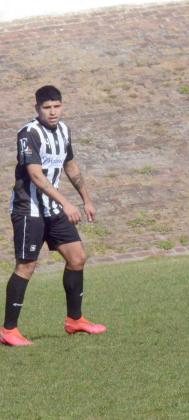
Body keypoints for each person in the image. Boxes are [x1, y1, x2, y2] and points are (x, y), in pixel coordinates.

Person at [1, 85, 106, 347]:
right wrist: (68, 204)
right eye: (47, 108)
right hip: (29, 210)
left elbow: (70, 165)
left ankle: (75, 320)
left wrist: (86, 199)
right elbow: (36, 176)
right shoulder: (28, 133)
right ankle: (9, 330)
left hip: (54, 210)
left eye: (56, 106)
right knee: (26, 266)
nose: (52, 112)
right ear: (37, 108)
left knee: (77, 257)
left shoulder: (64, 130)